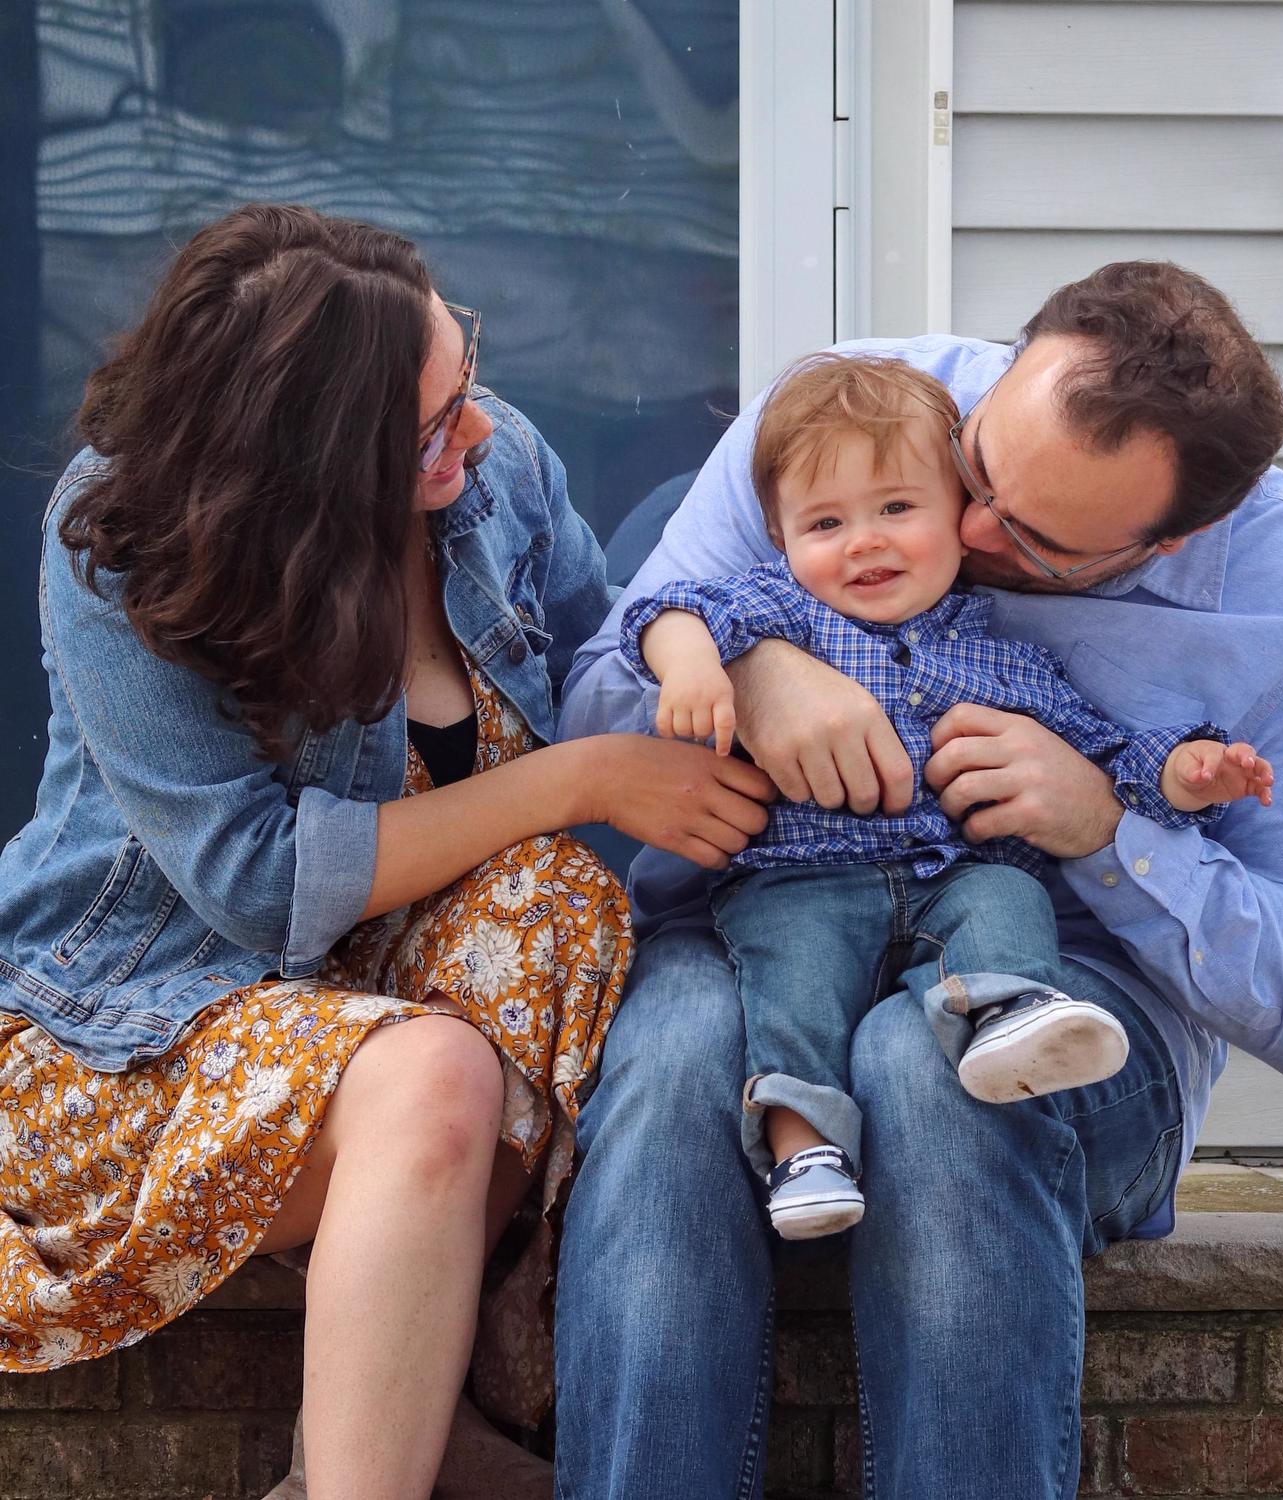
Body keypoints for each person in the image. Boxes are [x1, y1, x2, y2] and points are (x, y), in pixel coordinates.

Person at [553, 262, 1283, 1498]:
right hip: (759, 928)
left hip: (1075, 1002)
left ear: (1177, 536)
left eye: (1039, 541)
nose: (970, 530)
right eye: (977, 467)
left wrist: (1107, 830)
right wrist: (763, 663)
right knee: (672, 1060)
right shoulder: (849, 423)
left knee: (925, 1065)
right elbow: (595, 712)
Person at [0, 202, 773, 1500]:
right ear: (298, 466)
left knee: (558, 905)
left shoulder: (500, 466)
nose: (474, 431)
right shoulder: (131, 535)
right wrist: (577, 777)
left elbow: (605, 655)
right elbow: (254, 881)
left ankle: (377, 1440)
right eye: (426, 427)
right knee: (436, 1073)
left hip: (374, 1006)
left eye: (462, 373)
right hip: (131, 1024)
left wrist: (749, 665)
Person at [619, 350, 1273, 1240]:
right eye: (824, 522)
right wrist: (698, 661)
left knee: (1005, 897)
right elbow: (668, 609)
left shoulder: (1000, 656)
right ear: (780, 540)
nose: (865, 540)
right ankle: (804, 1145)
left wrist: (1184, 773)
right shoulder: (780, 613)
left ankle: (1007, 1011)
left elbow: (1101, 752)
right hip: (802, 880)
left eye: (896, 509)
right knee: (791, 982)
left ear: (958, 519)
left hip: (950, 876)